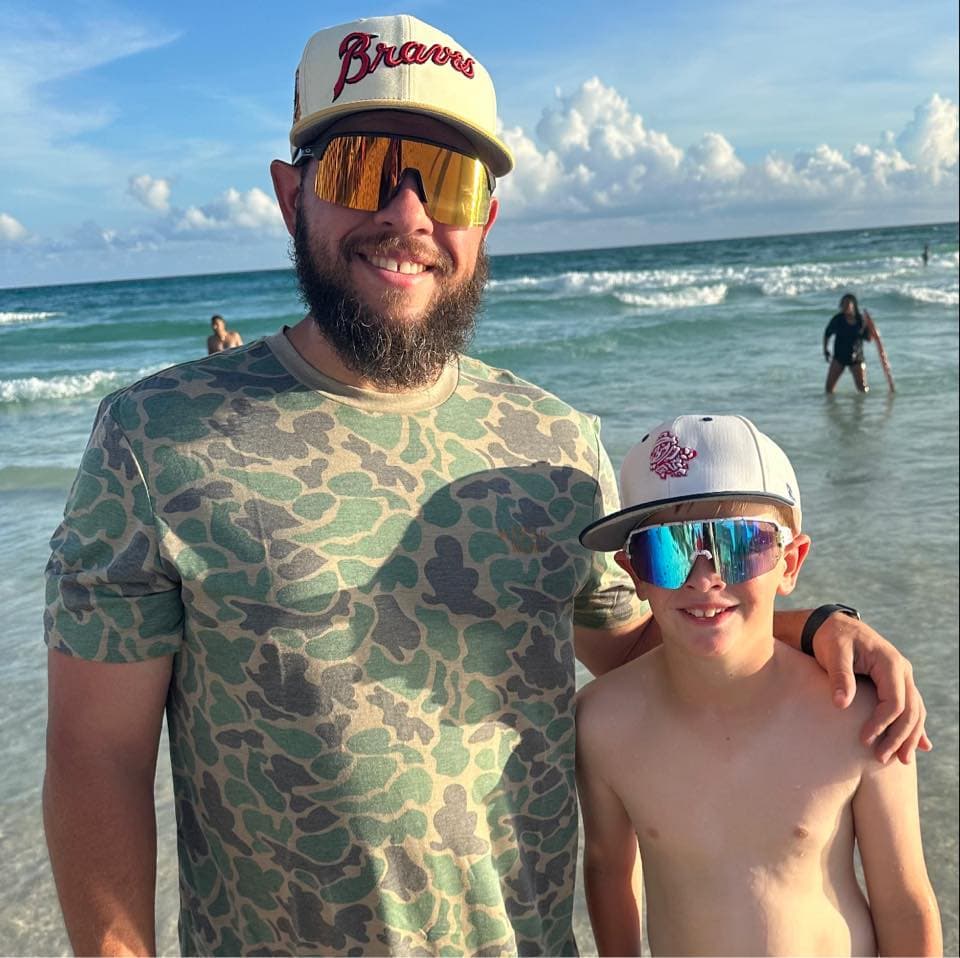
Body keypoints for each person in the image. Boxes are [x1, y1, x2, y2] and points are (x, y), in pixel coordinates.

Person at [42, 14, 929, 958]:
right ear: (290, 194)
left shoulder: (551, 447)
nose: (409, 215)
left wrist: (814, 626)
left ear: (486, 219)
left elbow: (649, 649)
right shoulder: (154, 440)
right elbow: (100, 759)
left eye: (450, 180)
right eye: (361, 169)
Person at [575, 414, 942, 957]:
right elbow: (607, 866)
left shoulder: (861, 711)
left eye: (738, 544)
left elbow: (904, 902)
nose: (704, 577)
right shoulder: (602, 723)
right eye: (668, 550)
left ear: (789, 562)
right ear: (634, 572)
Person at [823, 292, 878, 393]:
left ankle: (863, 407)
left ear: (853, 306)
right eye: (843, 304)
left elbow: (869, 339)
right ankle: (831, 408)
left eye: (848, 304)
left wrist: (870, 327)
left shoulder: (861, 320)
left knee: (862, 388)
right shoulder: (838, 320)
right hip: (839, 357)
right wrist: (825, 350)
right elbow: (827, 334)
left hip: (856, 358)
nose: (845, 306)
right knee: (828, 388)